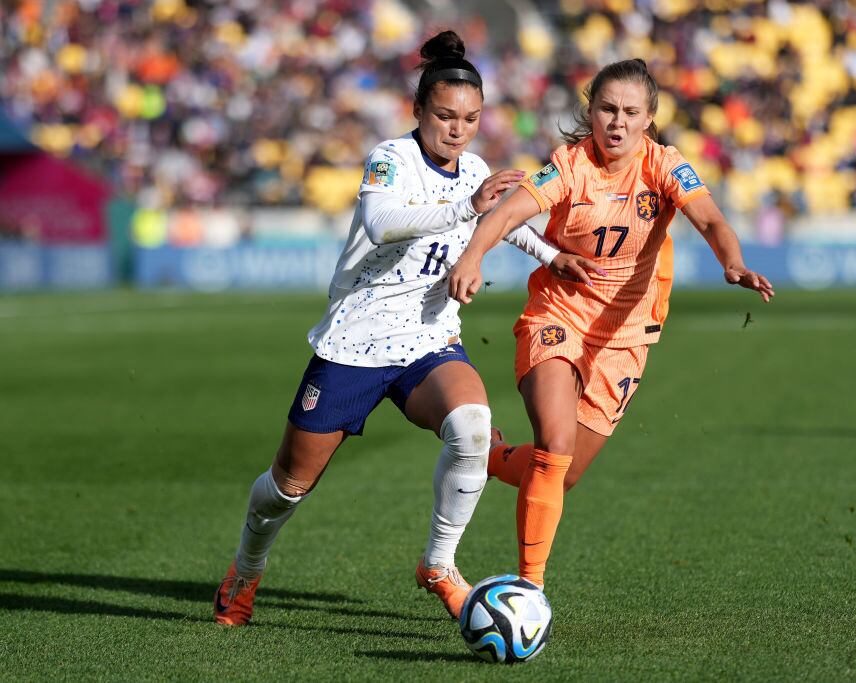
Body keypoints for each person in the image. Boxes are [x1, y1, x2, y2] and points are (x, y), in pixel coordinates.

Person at [214, 31, 571, 625]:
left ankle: (439, 565)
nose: (457, 130)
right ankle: (246, 569)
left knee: (472, 428)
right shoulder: (391, 158)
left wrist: (553, 256)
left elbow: (503, 220)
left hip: (428, 339)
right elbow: (381, 222)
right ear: (418, 109)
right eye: (445, 116)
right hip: (355, 343)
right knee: (287, 487)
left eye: (470, 119)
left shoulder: (475, 169)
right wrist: (467, 206)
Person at [448, 58, 775, 589]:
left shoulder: (664, 166)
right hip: (559, 315)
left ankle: (489, 456)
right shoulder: (569, 165)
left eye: (630, 112)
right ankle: (529, 589)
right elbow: (506, 213)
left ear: (649, 118)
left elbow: (711, 219)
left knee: (564, 473)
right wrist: (472, 258)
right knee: (555, 446)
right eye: (606, 109)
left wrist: (732, 263)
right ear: (591, 112)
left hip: (624, 339)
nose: (617, 122)